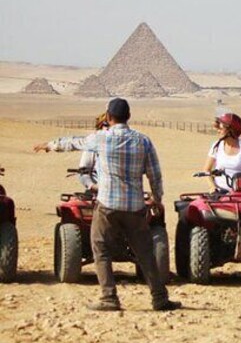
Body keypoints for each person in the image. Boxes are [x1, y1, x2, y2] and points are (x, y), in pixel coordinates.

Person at [66, 98, 179, 311]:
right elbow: (155, 175)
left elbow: (73, 142)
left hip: (107, 204)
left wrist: (49, 145)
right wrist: (156, 198)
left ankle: (109, 297)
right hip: (135, 207)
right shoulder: (143, 141)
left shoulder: (101, 138)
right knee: (146, 253)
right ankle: (160, 298)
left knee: (100, 248)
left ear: (108, 117)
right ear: (129, 116)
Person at [33, 112, 109, 191]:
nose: (109, 129)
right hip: (100, 190)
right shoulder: (93, 144)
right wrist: (93, 186)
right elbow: (75, 143)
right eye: (106, 125)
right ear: (100, 126)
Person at [202, 111, 241, 193]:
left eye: (221, 128)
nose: (218, 130)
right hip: (220, 193)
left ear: (231, 130)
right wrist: (212, 187)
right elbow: (207, 170)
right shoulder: (216, 146)